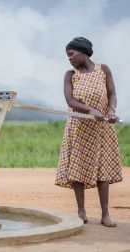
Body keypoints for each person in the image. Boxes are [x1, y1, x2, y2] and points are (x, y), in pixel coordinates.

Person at [55, 37, 122, 227]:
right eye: (67, 56)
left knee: (103, 169)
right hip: (78, 127)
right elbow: (70, 101)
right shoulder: (70, 74)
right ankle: (81, 210)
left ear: (83, 51)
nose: (69, 59)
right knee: (77, 167)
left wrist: (110, 111)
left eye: (71, 54)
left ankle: (105, 214)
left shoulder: (103, 69)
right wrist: (90, 110)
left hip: (102, 128)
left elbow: (112, 94)